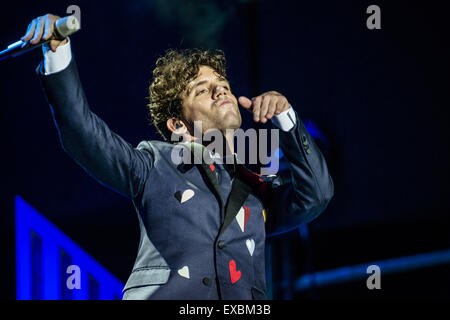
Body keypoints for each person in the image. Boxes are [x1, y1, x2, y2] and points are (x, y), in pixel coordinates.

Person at [23, 13, 334, 300]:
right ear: (178, 125)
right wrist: (57, 51)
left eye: (223, 85)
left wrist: (288, 119)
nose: (221, 92)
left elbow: (316, 196)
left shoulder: (258, 190)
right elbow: (83, 134)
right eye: (202, 90)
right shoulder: (152, 165)